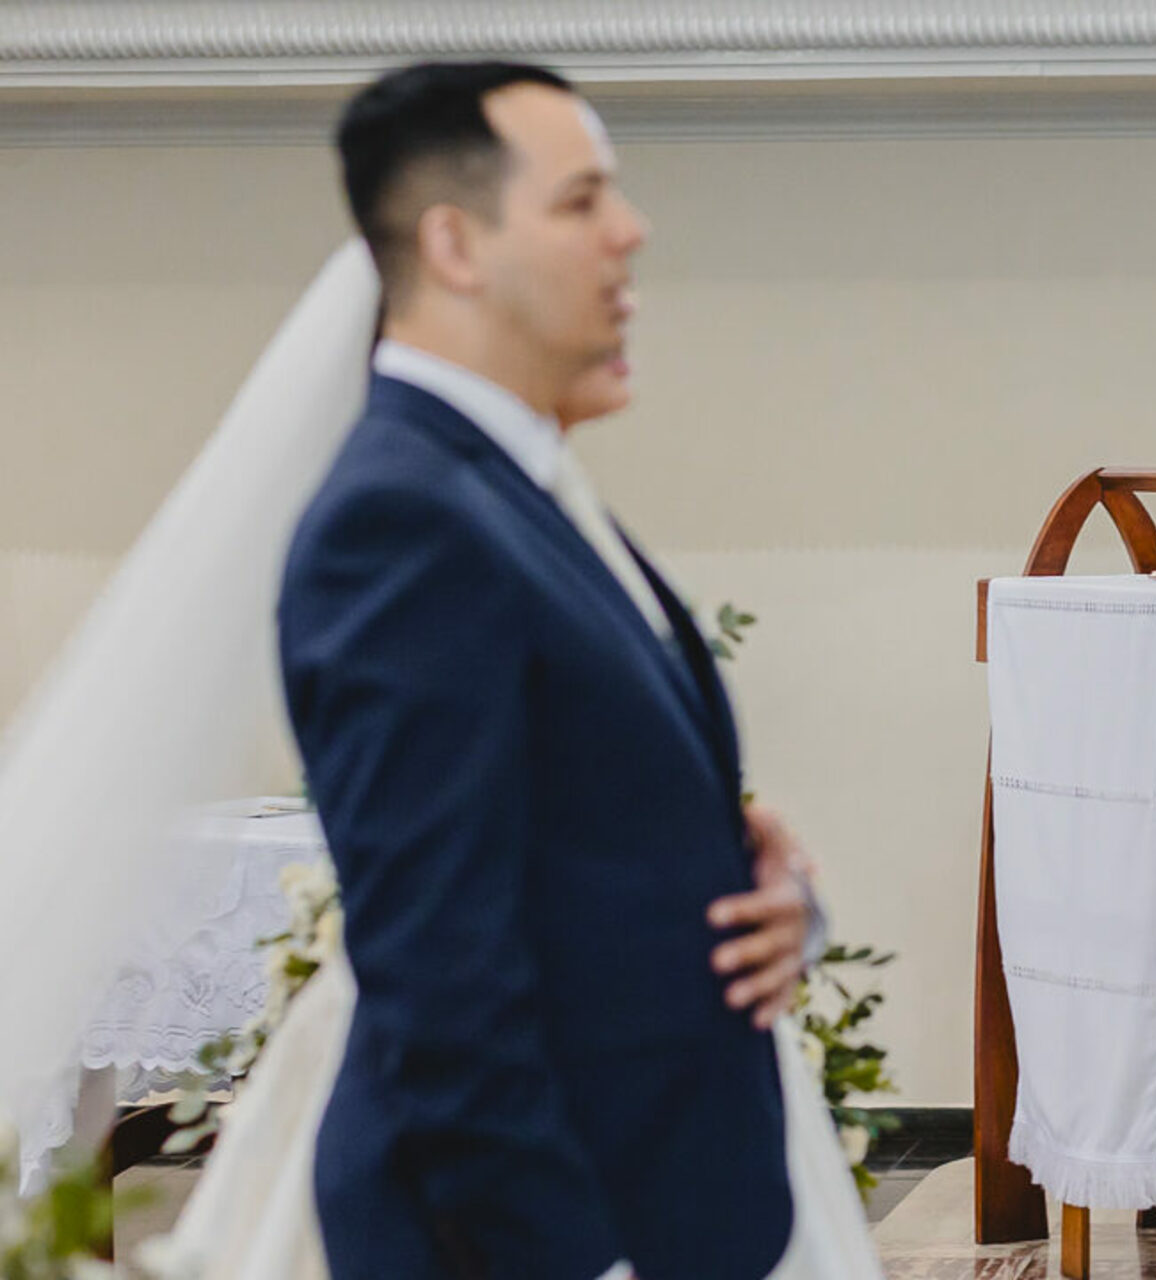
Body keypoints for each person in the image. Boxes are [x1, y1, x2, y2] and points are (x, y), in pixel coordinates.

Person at [274, 62, 825, 1280]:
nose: (630, 230)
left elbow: (576, 846)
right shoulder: (402, 524)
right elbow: (443, 990)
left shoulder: (507, 485)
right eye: (582, 200)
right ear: (455, 244)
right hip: (539, 1234)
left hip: (658, 1193)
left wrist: (764, 897)